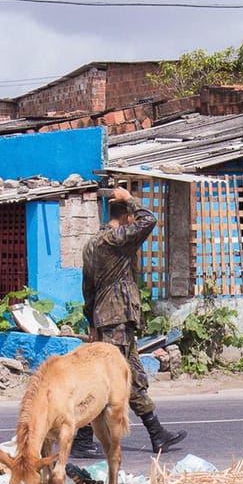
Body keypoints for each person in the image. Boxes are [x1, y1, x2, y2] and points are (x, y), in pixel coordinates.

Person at [76, 186, 185, 458]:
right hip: (116, 318)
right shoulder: (117, 239)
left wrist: (91, 322)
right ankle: (82, 436)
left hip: (109, 319)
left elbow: (87, 288)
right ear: (126, 218)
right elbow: (148, 220)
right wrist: (130, 199)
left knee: (132, 374)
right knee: (107, 380)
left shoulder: (92, 244)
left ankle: (156, 432)